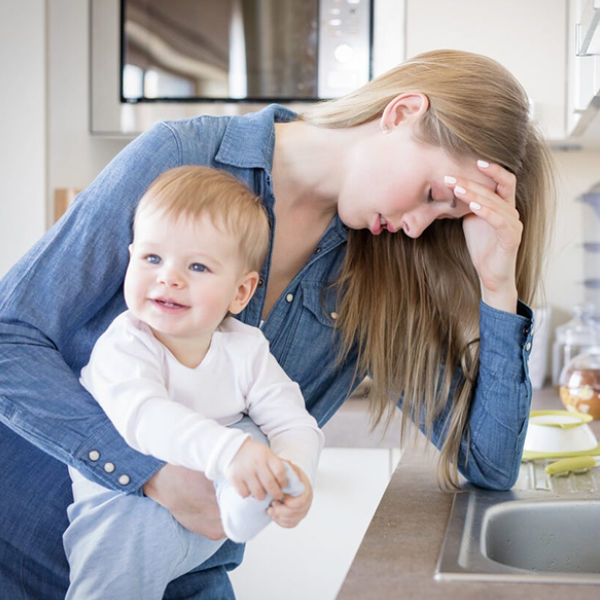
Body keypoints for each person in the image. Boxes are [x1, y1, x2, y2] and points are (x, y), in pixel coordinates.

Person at [0, 49, 554, 599]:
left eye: (443, 218)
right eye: (433, 196)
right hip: (21, 555)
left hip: (185, 580)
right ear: (402, 112)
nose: (417, 227)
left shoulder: (383, 275)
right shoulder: (182, 155)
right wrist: (150, 475)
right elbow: (9, 338)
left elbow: (488, 463)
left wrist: (497, 285)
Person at [63, 165, 323, 599]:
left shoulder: (246, 349)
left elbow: (293, 422)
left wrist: (292, 474)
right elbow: (144, 418)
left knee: (253, 432)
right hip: (123, 505)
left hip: (205, 512)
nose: (169, 277)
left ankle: (246, 502)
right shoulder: (125, 344)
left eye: (198, 266)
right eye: (152, 259)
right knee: (113, 582)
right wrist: (231, 453)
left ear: (240, 293)